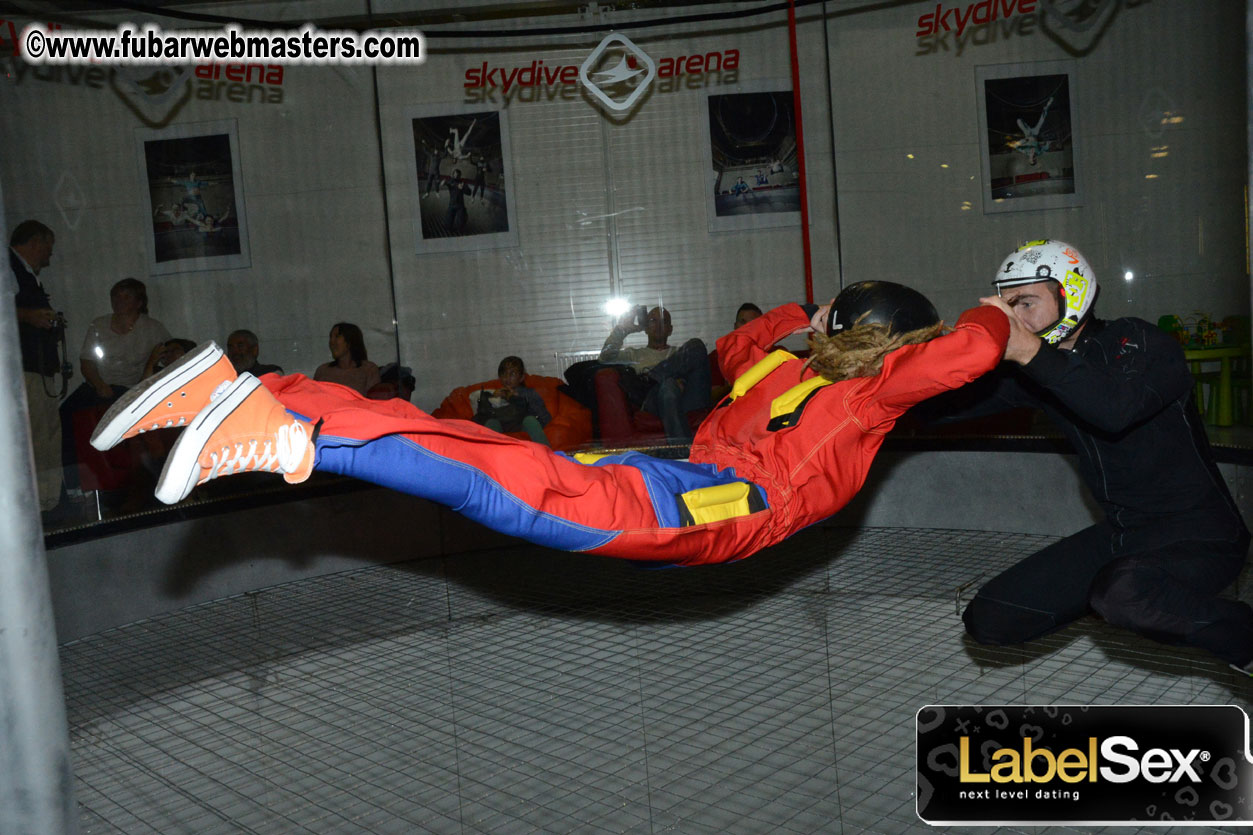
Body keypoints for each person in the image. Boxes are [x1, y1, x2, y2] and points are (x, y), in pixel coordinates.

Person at [91, 281, 1009, 567]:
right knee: (516, 478)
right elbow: (734, 351)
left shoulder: (860, 383)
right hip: (719, 490)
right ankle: (288, 409)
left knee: (518, 477)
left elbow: (966, 353)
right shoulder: (816, 370)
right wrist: (803, 327)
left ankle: (287, 408)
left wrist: (1008, 318)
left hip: (724, 491)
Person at [923, 239, 1253, 677]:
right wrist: (863, 368)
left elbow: (1114, 409)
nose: (1014, 319)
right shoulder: (1037, 370)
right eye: (1006, 306)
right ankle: (1118, 592)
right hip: (1125, 534)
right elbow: (937, 408)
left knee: (1123, 594)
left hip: (1202, 533)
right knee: (991, 619)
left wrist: (1028, 353)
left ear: (1071, 293)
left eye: (1025, 302)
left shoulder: (1138, 341)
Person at [59, 277, 169, 493]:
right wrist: (98, 383)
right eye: (115, 296)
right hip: (98, 385)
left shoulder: (152, 327)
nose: (119, 301)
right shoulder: (99, 324)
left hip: (130, 389)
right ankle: (73, 486)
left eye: (125, 297)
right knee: (66, 413)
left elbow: (170, 355)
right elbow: (87, 362)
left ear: (139, 302)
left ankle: (129, 485)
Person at [11, 220, 64, 514]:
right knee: (39, 434)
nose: (49, 255)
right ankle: (41, 503)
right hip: (25, 368)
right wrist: (29, 316)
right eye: (47, 248)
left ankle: (44, 500)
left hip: (34, 367)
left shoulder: (23, 274)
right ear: (34, 243)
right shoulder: (9, 268)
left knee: (44, 432)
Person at [599, 305, 711, 442]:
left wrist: (682, 381)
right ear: (645, 328)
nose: (658, 325)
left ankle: (653, 377)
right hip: (654, 401)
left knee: (697, 344)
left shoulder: (681, 354)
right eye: (653, 320)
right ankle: (682, 451)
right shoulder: (634, 355)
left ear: (670, 329)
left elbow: (698, 379)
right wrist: (623, 329)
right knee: (668, 385)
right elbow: (605, 358)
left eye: (664, 321)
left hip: (686, 399)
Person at [473, 356, 551, 446]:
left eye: (512, 374)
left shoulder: (529, 393)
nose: (507, 378)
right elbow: (482, 418)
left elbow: (546, 418)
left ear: (521, 377)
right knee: (492, 423)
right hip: (504, 426)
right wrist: (493, 399)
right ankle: (489, 458)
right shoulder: (495, 394)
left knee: (530, 420)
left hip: (523, 425)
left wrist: (516, 397)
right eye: (504, 374)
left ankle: (547, 456)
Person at [711, 303, 765, 400]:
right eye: (742, 322)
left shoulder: (774, 353)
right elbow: (712, 396)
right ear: (735, 326)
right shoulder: (718, 355)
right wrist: (733, 386)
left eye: (752, 323)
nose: (746, 327)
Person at [313, 322, 380, 396]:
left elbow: (374, 401)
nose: (331, 341)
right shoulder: (322, 370)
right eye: (331, 337)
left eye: (337, 336)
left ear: (350, 341)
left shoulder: (368, 370)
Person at [444, 169, 471, 234]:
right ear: (453, 175)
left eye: (458, 175)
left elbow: (469, 192)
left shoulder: (463, 183)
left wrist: (463, 188)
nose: (456, 176)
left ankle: (461, 225)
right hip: (452, 205)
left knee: (461, 226)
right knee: (448, 226)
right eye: (455, 174)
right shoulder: (450, 181)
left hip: (460, 206)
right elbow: (446, 183)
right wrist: (442, 183)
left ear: (460, 176)